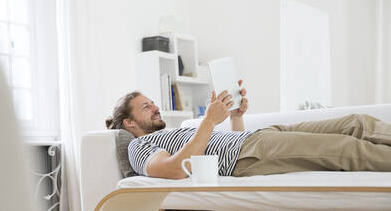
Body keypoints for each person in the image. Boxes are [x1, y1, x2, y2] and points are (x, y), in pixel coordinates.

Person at [105, 82, 391, 178]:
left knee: (355, 123)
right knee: (343, 148)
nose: (155, 108)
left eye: (153, 103)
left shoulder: (177, 131)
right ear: (129, 123)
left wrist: (234, 116)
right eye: (146, 107)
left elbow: (225, 140)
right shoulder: (137, 147)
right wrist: (207, 121)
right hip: (248, 156)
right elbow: (176, 169)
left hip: (253, 138)